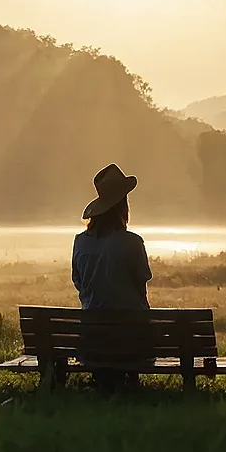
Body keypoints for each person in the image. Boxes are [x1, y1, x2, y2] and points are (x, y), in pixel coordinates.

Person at [72, 163, 152, 390]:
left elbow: (78, 282)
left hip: (92, 338)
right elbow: (141, 282)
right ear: (122, 206)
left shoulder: (80, 242)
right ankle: (128, 380)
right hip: (131, 339)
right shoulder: (132, 242)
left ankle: (103, 379)